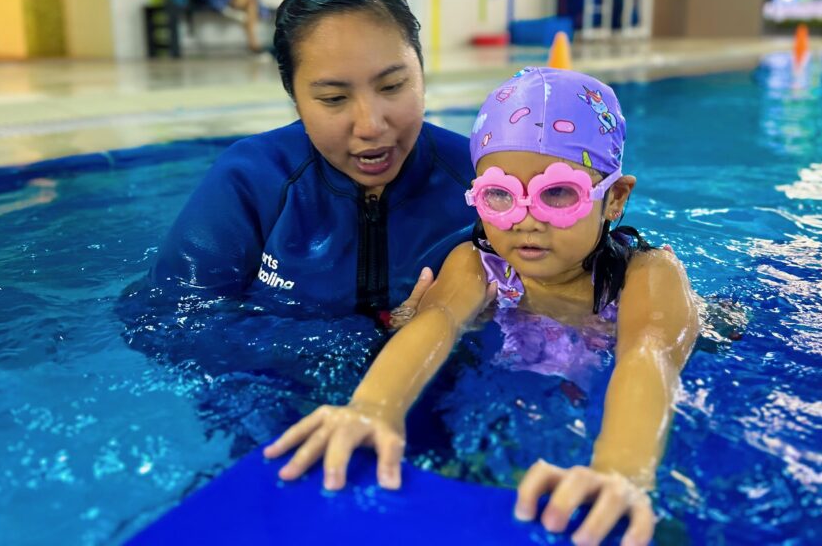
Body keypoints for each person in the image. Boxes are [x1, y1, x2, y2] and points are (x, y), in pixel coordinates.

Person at [264, 67, 700, 546]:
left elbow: (648, 354)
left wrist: (621, 470)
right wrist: (372, 408)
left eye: (557, 193)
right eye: (501, 195)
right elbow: (439, 319)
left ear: (614, 198)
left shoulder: (647, 275)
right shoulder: (479, 263)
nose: (527, 221)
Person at [145, 0, 476, 323]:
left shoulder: (480, 182)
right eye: (334, 98)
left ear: (421, 73)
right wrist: (388, 337)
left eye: (392, 86)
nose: (370, 126)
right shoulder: (248, 182)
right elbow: (168, 321)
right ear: (295, 98)